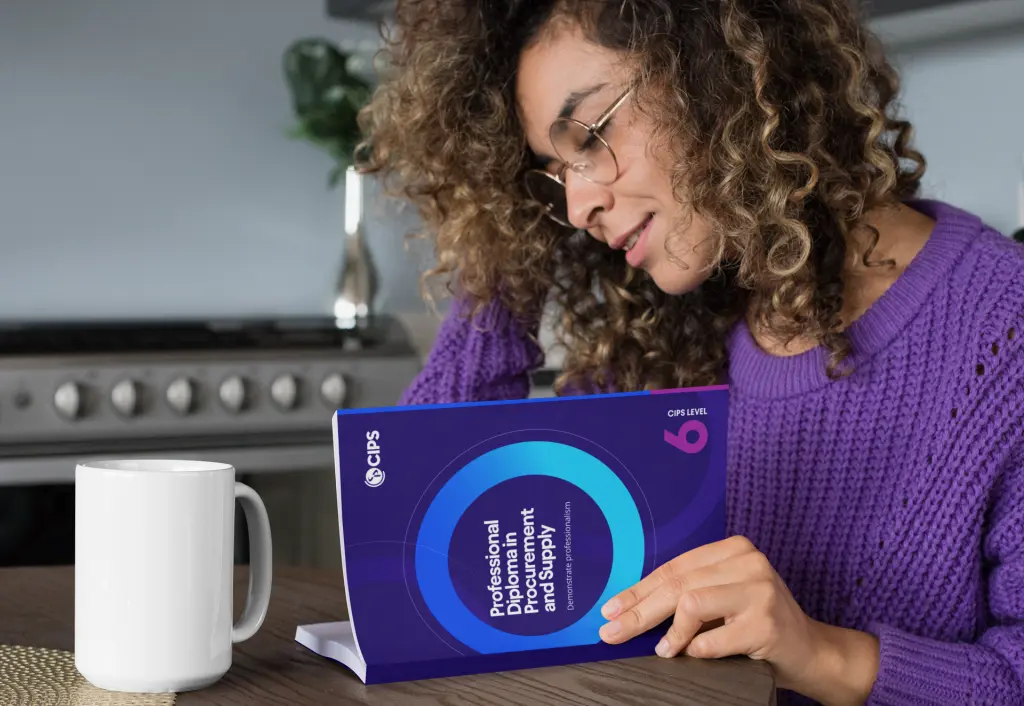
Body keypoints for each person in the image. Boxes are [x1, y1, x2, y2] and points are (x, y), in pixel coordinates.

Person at [356, 1, 1024, 703]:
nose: (578, 205)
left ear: (720, 70)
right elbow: (416, 557)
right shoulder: (655, 337)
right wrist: (503, 257)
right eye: (552, 175)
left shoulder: (1003, 329)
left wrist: (819, 653)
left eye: (590, 134)